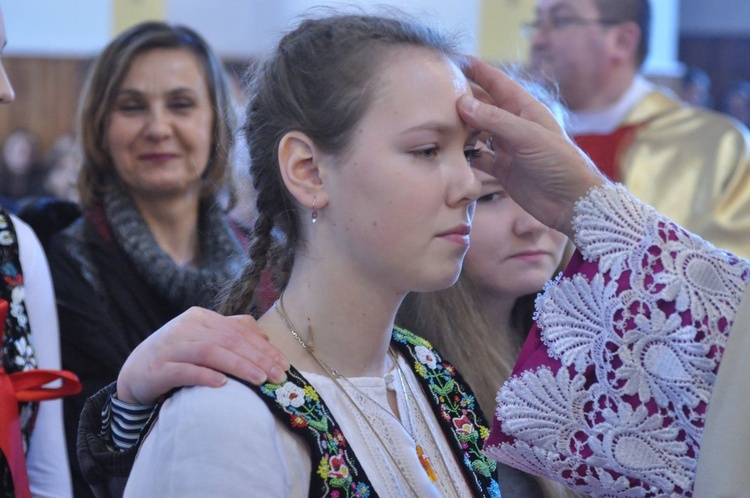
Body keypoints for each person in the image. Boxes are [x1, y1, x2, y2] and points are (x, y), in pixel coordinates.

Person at [124, 12, 501, 497]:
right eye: (427, 150)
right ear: (309, 172)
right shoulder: (224, 417)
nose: (471, 184)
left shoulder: (427, 371)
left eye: (468, 153)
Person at [456, 55, 750, 497]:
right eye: (494, 195)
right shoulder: (430, 370)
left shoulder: (595, 359)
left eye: (530, 193)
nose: (531, 222)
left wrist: (590, 205)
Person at [40, 22, 278, 498]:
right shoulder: (60, 265)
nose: (157, 127)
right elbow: (63, 449)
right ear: (100, 127)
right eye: (132, 107)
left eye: (181, 104)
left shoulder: (270, 265)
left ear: (216, 122)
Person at [527, 0, 750, 258]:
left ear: (622, 41)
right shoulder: (519, 135)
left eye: (560, 21)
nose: (537, 40)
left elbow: (733, 282)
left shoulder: (718, 147)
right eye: (536, 22)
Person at [0, 128, 47, 211]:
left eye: (29, 152)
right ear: (5, 152)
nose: (25, 157)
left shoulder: (44, 180)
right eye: (20, 151)